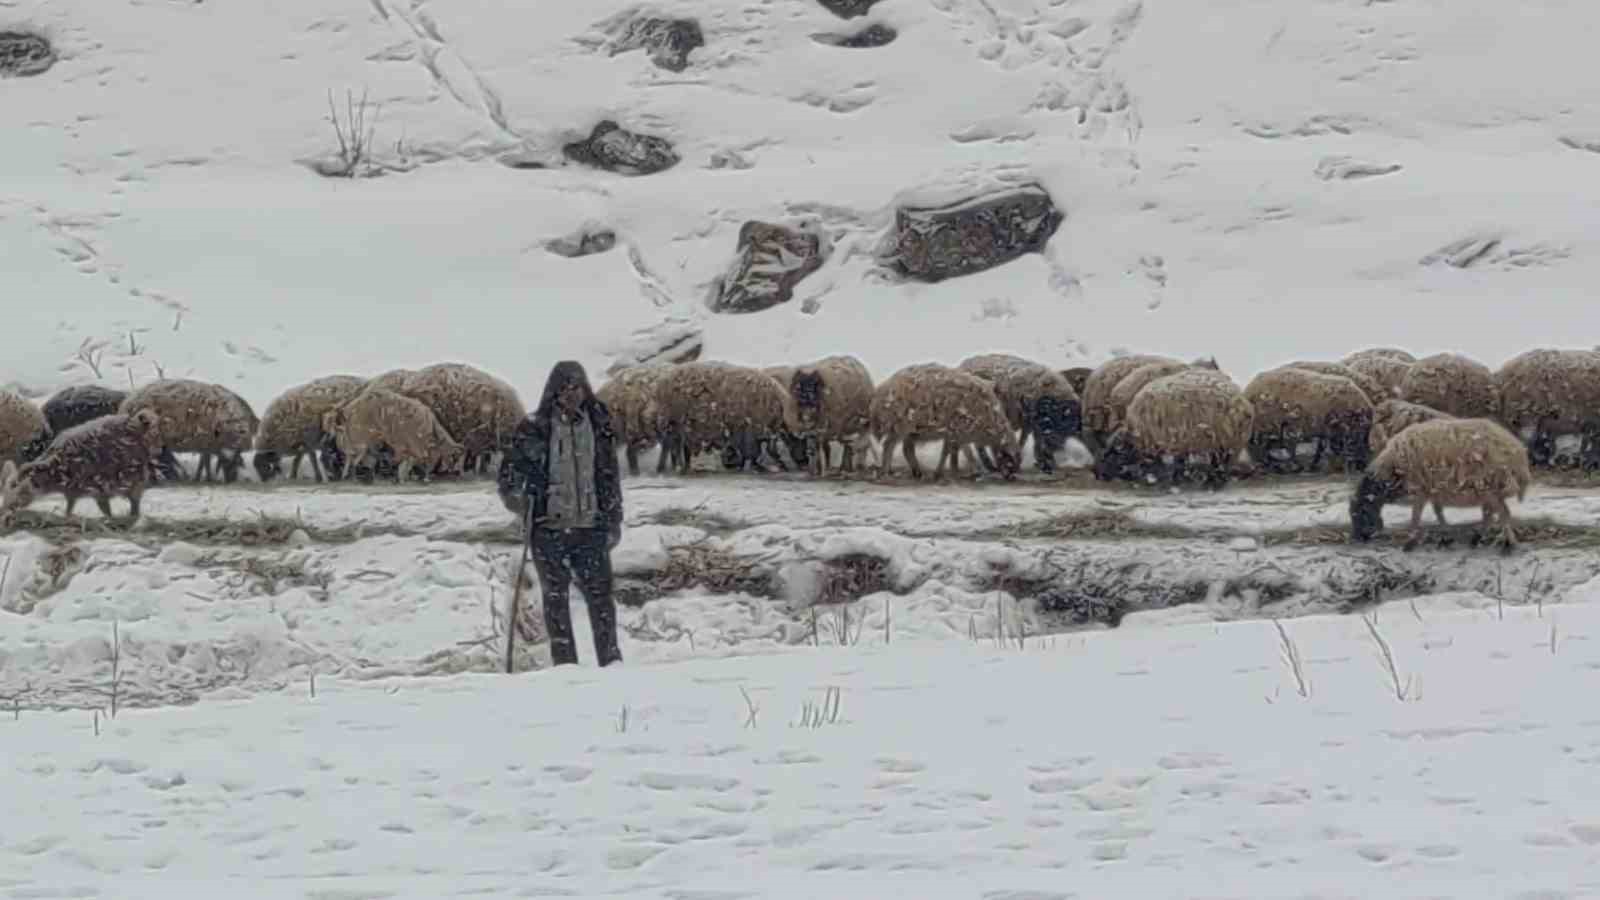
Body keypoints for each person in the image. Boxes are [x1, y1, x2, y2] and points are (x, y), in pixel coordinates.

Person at [504, 361, 624, 667]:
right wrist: (522, 500)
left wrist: (613, 518)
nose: (572, 395)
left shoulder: (599, 425)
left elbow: (609, 476)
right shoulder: (535, 428)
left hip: (590, 528)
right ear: (554, 392)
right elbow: (509, 477)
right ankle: (566, 667)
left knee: (601, 600)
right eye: (565, 389)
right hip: (549, 529)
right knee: (556, 600)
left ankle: (611, 662)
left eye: (577, 388)